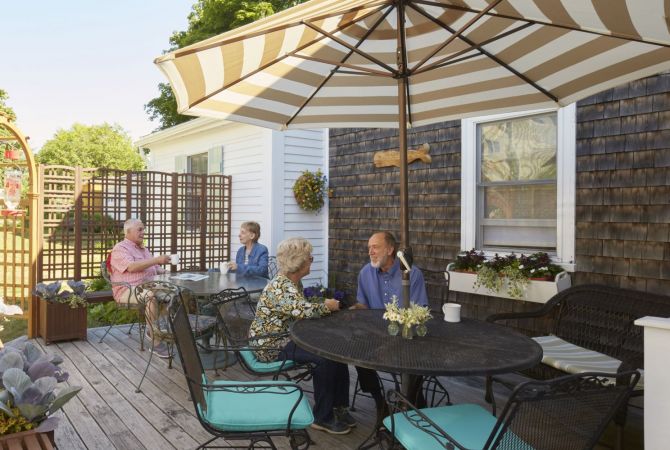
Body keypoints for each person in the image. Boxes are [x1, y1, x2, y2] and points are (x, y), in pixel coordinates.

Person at [249, 237, 354, 435]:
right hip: (271, 344)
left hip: (286, 337)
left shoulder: (292, 282)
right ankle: (322, 417)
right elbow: (303, 310)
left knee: (336, 351)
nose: (312, 261)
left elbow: (299, 310)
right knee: (324, 358)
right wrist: (328, 306)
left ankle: (339, 407)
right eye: (310, 258)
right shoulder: (282, 286)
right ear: (299, 262)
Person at [353, 231, 429, 416]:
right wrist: (354, 310)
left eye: (375, 247)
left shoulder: (411, 273)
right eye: (369, 248)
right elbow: (363, 305)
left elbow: (420, 310)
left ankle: (413, 400)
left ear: (390, 249)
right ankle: (379, 401)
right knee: (355, 351)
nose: (370, 252)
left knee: (416, 356)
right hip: (374, 335)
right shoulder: (365, 273)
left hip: (406, 335)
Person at [110, 218, 171, 358]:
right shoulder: (120, 248)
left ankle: (160, 330)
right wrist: (156, 259)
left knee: (173, 292)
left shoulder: (143, 249)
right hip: (126, 290)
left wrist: (167, 272)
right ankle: (155, 341)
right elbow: (131, 267)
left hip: (148, 286)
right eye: (140, 229)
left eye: (144, 229)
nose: (143, 232)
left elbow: (155, 267)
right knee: (150, 295)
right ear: (128, 231)